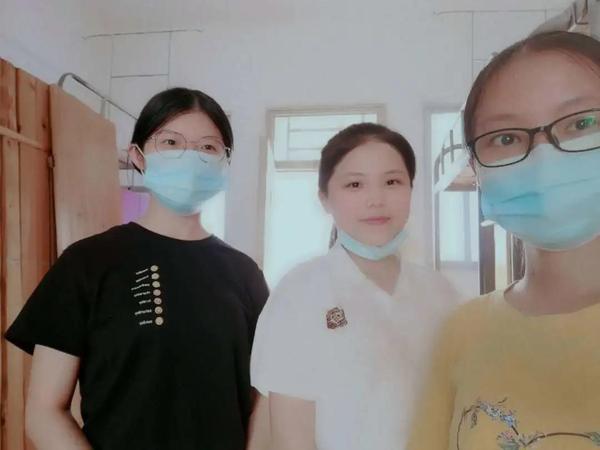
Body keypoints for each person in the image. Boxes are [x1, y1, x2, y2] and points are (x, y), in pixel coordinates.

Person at [5, 87, 268, 450]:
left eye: (208, 147)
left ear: (225, 161)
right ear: (138, 156)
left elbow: (262, 401)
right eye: (171, 142)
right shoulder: (87, 262)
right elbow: (44, 412)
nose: (190, 158)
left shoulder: (245, 274)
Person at [407, 31, 600, 450]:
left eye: (581, 123)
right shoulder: (461, 332)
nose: (544, 155)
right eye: (506, 137)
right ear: (477, 170)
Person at [249, 123, 458, 450]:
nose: (376, 200)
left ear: (411, 189)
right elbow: (291, 436)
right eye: (355, 184)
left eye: (392, 181)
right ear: (324, 198)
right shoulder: (299, 292)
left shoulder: (441, 293)